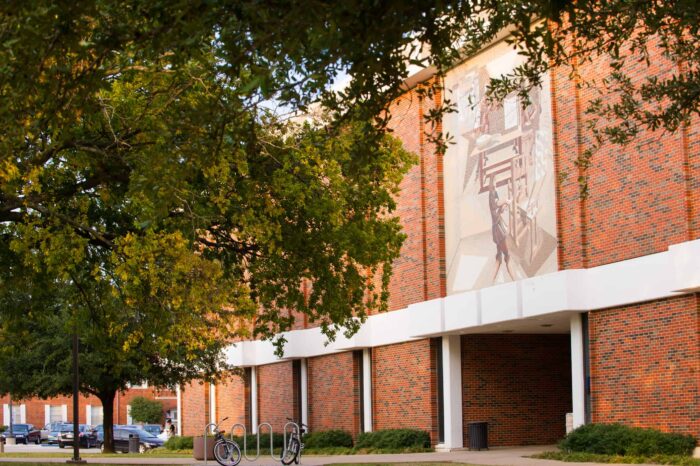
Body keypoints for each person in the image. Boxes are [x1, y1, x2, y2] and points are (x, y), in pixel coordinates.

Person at [488, 173, 515, 282]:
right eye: (495, 180)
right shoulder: (492, 193)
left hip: (497, 227)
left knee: (499, 257)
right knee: (507, 256)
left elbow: (498, 210)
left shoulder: (494, 192)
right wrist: (505, 201)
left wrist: (506, 204)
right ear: (492, 182)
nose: (496, 182)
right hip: (498, 229)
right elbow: (496, 205)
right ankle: (515, 281)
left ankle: (490, 282)